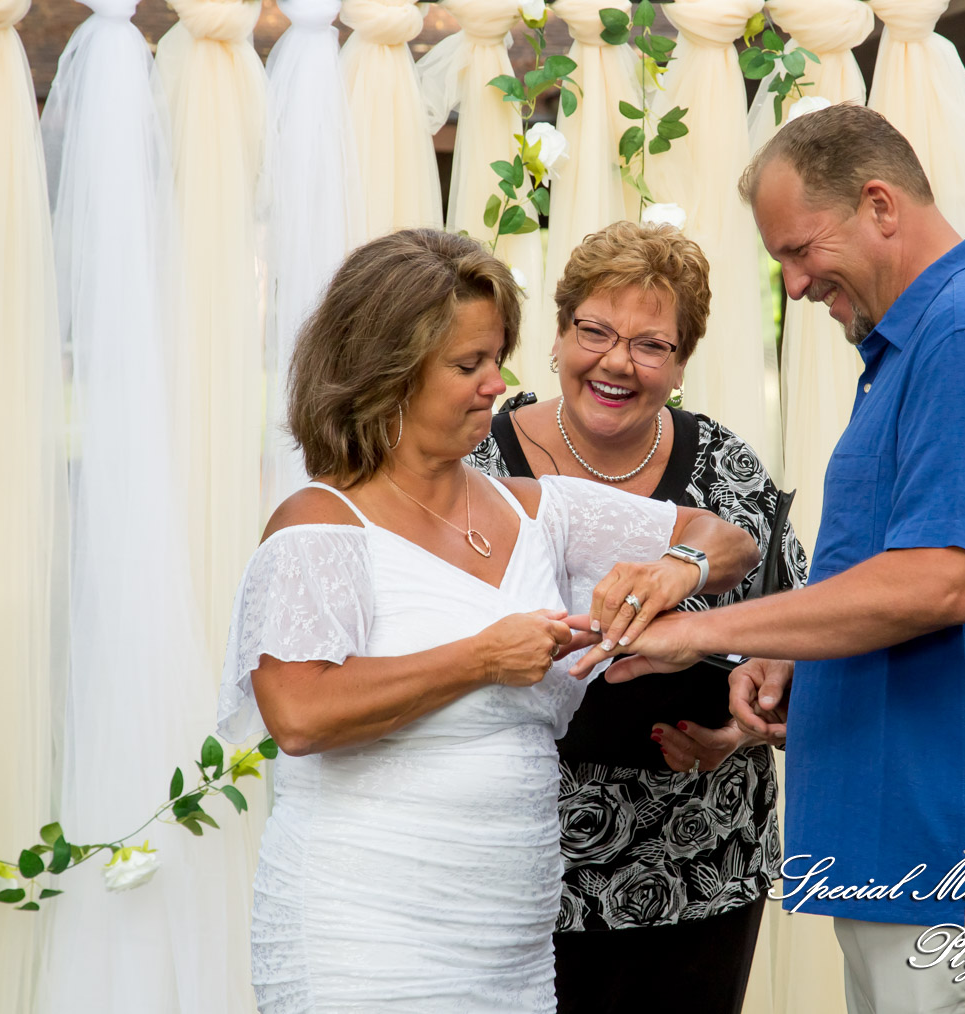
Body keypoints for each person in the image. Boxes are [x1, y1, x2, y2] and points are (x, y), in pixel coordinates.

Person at [570, 104, 965, 1014]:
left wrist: (694, 632)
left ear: (880, 204)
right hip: (914, 825)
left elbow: (940, 580)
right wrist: (800, 653)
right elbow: (906, 573)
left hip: (951, 835)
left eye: (800, 250)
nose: (793, 284)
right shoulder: (931, 340)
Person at [215, 228, 758, 1013]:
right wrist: (479, 658)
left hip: (509, 932)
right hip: (361, 930)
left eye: (497, 358)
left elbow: (729, 539)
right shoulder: (321, 522)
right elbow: (299, 715)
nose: (496, 384)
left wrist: (678, 570)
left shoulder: (541, 509)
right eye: (468, 365)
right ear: (388, 373)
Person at [466, 220, 808, 1014]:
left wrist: (740, 730)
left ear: (681, 362)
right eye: (596, 331)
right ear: (556, 335)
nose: (617, 361)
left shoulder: (726, 466)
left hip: (701, 861)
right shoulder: (473, 458)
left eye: (651, 345)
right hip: (513, 858)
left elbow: (802, 629)